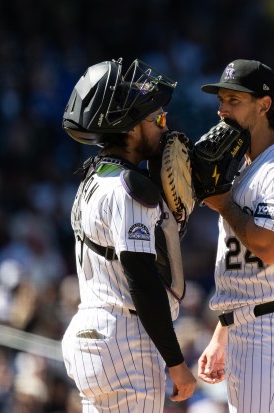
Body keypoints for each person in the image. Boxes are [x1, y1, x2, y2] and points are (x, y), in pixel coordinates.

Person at [60, 58, 196, 412]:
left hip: (93, 333)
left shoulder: (94, 178)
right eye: (159, 119)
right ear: (132, 126)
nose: (165, 128)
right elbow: (142, 279)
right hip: (124, 340)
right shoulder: (129, 187)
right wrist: (176, 362)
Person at [197, 59, 274, 413]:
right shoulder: (245, 167)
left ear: (264, 105)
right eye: (221, 101)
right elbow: (245, 272)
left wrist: (222, 204)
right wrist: (223, 333)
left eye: (234, 101)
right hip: (249, 323)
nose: (222, 111)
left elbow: (267, 247)